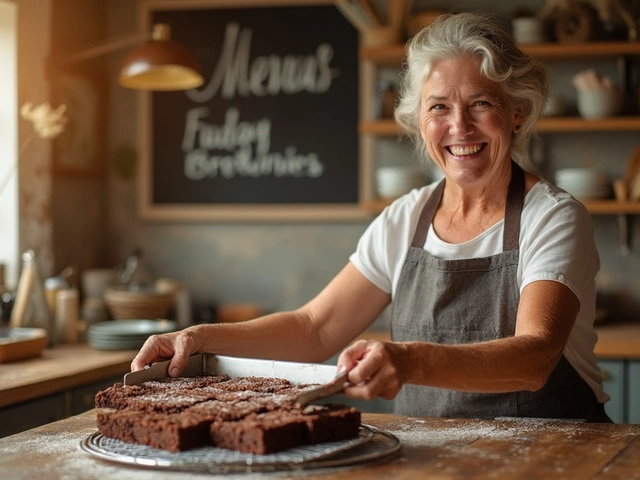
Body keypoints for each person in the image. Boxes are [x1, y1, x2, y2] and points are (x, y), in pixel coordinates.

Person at [132, 12, 611, 422]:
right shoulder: (404, 219)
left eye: (481, 103)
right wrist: (196, 339)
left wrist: (411, 360)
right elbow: (314, 329)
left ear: (517, 114)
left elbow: (534, 357)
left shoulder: (553, 217)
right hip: (441, 464)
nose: (459, 126)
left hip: (554, 457)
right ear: (420, 122)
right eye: (438, 107)